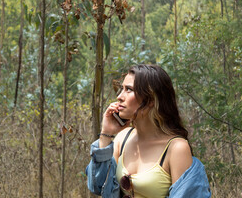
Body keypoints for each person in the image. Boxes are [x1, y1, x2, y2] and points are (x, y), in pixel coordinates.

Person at [86, 64, 211, 198]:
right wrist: (106, 134)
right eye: (121, 89)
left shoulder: (176, 148)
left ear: (150, 99)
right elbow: (97, 186)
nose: (120, 97)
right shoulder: (122, 138)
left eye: (129, 90)